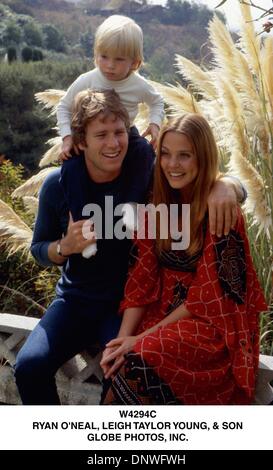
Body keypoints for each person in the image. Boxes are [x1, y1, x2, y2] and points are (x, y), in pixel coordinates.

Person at [14, 90, 246, 405]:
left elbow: (195, 174)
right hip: (74, 303)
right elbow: (39, 249)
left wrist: (227, 185)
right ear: (80, 142)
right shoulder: (58, 184)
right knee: (29, 366)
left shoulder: (148, 177)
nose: (113, 143)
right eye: (101, 135)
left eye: (119, 132)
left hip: (129, 309)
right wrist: (64, 246)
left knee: (123, 376)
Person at [101, 113, 267, 405]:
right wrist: (122, 339)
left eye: (184, 156)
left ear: (202, 158)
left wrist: (138, 341)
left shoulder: (221, 210)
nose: (172, 165)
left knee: (140, 358)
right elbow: (141, 279)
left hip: (211, 326)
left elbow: (207, 298)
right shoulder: (158, 204)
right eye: (165, 154)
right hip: (163, 316)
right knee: (119, 366)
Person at [56, 14, 164, 255]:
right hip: (88, 138)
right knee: (71, 168)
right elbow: (63, 106)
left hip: (125, 133)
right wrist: (67, 137)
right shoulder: (88, 79)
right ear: (95, 54)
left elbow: (157, 102)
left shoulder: (138, 84)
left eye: (119, 59)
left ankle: (131, 205)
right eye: (103, 57)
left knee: (145, 152)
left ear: (135, 62)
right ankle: (85, 230)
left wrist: (155, 124)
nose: (109, 65)